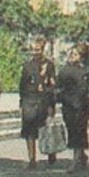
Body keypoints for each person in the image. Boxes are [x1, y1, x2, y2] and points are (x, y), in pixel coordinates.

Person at [56, 42, 89, 173]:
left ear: (82, 56)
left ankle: (74, 162)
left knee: (79, 130)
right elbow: (58, 85)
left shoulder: (88, 71)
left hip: (82, 106)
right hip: (68, 104)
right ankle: (81, 155)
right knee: (71, 130)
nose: (72, 56)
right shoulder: (66, 70)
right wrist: (57, 97)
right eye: (71, 53)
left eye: (75, 54)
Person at [18, 38, 58, 168]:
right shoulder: (27, 65)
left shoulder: (49, 65)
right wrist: (21, 103)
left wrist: (52, 105)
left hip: (44, 101)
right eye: (33, 50)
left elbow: (53, 85)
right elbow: (22, 85)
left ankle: (50, 152)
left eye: (38, 50)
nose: (35, 53)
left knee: (45, 129)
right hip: (29, 101)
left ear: (43, 49)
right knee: (29, 131)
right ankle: (31, 159)